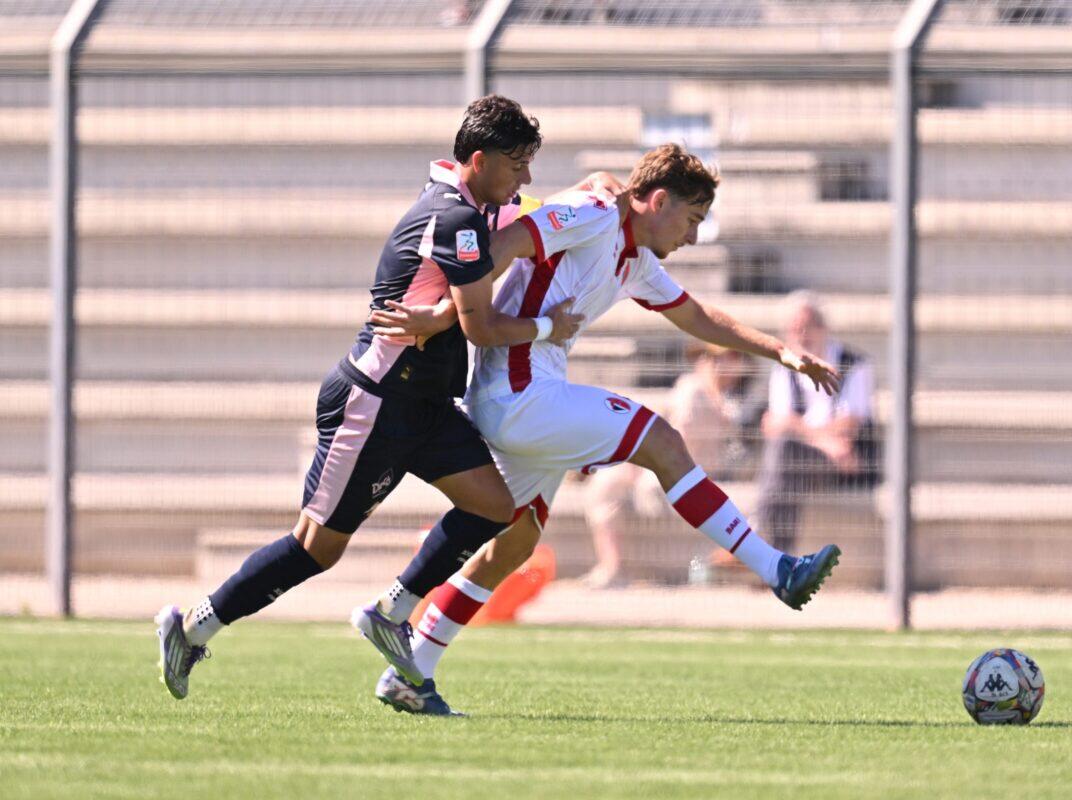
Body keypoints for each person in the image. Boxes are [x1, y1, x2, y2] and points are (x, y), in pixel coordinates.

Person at [154, 95, 610, 700]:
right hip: (374, 404)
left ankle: (392, 611)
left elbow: (537, 216)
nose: (525, 177)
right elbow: (481, 326)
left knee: (497, 507)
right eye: (517, 163)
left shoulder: (474, 206)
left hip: (423, 406)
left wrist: (601, 189)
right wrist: (553, 328)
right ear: (478, 159)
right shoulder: (457, 220)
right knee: (314, 549)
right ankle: (190, 629)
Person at [366, 144, 843, 715]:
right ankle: (776, 568)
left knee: (511, 545)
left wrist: (780, 351)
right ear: (658, 199)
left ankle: (411, 670)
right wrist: (445, 314)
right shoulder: (594, 210)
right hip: (518, 393)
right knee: (662, 441)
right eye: (691, 221)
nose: (692, 238)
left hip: (527, 394)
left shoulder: (636, 258)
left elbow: (697, 317)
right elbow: (501, 247)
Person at [579, 343, 747, 588]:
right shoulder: (690, 387)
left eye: (724, 358)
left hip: (700, 474)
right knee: (605, 483)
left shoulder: (738, 394)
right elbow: (670, 431)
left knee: (638, 483)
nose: (714, 365)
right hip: (668, 467)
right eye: (708, 358)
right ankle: (612, 567)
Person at [757, 291, 879, 554]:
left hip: (847, 465)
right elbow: (775, 426)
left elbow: (850, 423)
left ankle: (766, 549)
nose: (802, 336)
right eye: (794, 330)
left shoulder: (855, 364)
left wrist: (795, 426)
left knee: (783, 457)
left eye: (807, 327)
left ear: (823, 328)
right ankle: (776, 558)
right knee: (783, 455)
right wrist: (825, 441)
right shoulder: (783, 369)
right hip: (822, 454)